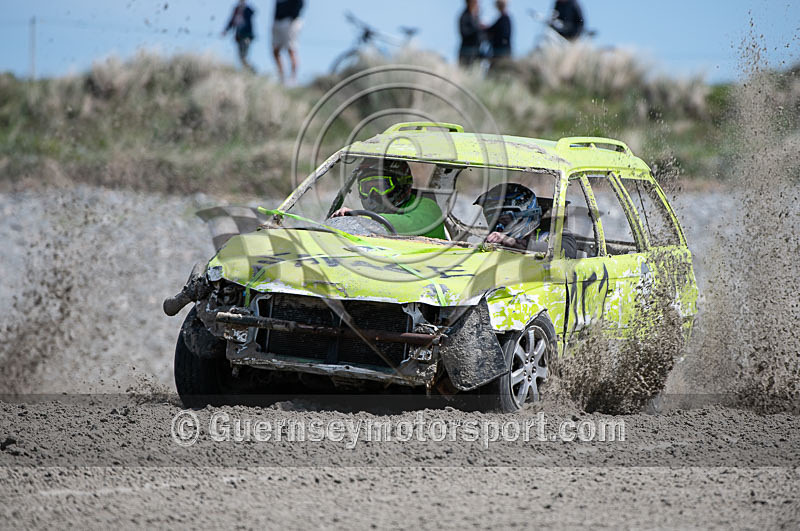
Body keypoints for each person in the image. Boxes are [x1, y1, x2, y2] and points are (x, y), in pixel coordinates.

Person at [332, 160, 446, 239]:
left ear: (401, 184)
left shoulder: (428, 207)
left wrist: (359, 220)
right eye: (366, 188)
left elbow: (405, 224)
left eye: (380, 187)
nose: (373, 193)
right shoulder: (370, 221)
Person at [475, 183, 577, 257]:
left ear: (525, 216)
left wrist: (513, 243)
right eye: (493, 219)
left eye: (505, 220)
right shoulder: (494, 239)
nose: (499, 226)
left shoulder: (556, 236)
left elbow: (566, 250)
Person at [272, 0, 304, 84]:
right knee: (275, 50)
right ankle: (281, 77)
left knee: (291, 50)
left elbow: (300, 3)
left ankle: (293, 79)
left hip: (290, 22)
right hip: (277, 22)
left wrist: (293, 17)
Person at [222, 0, 256, 72]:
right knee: (241, 57)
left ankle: (252, 70)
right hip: (239, 37)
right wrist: (226, 30)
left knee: (243, 56)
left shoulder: (248, 9)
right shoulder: (236, 9)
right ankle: (249, 71)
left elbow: (251, 15)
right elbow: (232, 21)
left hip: (246, 37)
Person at [458, 0, 483, 67]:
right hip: (467, 52)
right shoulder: (464, 16)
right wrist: (478, 29)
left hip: (476, 52)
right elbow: (464, 33)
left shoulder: (476, 16)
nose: (477, 3)